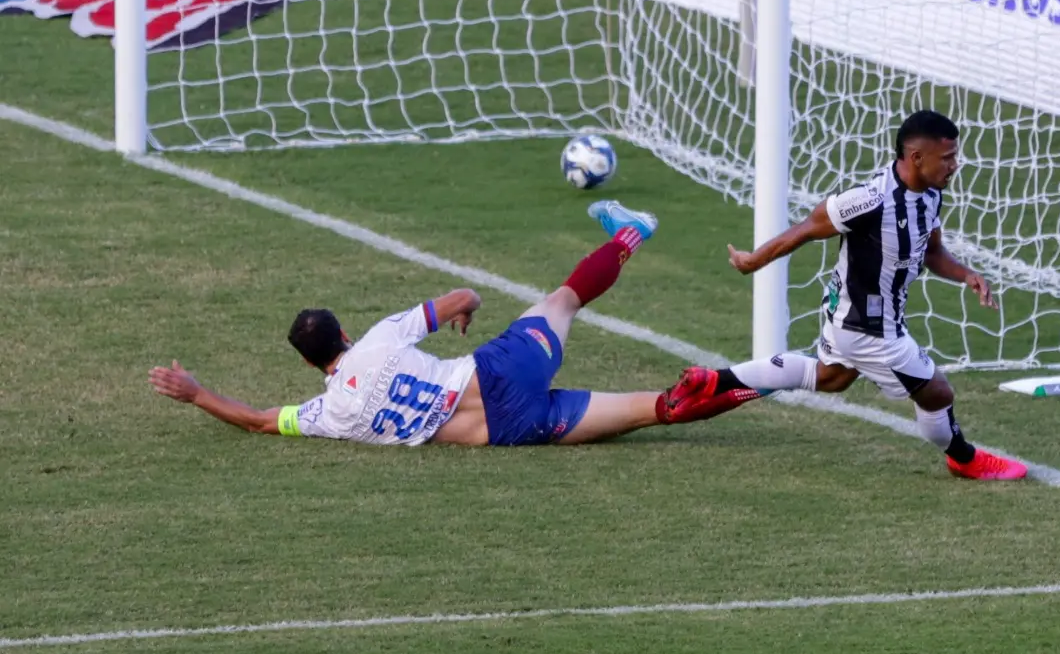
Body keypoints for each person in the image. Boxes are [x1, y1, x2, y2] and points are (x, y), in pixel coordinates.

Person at [149, 201, 723, 446]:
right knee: (564, 300)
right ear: (344, 334)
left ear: (307, 363)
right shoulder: (380, 338)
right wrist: (465, 307)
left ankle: (757, 383)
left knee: (660, 408)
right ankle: (632, 232)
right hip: (500, 371)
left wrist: (196, 393)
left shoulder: (332, 414)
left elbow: (255, 421)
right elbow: (463, 295)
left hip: (512, 430)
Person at [656, 110, 1028, 480]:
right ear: (916, 157)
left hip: (852, 315)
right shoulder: (868, 200)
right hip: (867, 328)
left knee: (831, 376)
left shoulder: (930, 194)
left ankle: (713, 382)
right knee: (937, 394)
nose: (954, 165)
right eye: (947, 158)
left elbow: (931, 252)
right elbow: (804, 229)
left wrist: (966, 274)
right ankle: (964, 459)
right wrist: (754, 261)